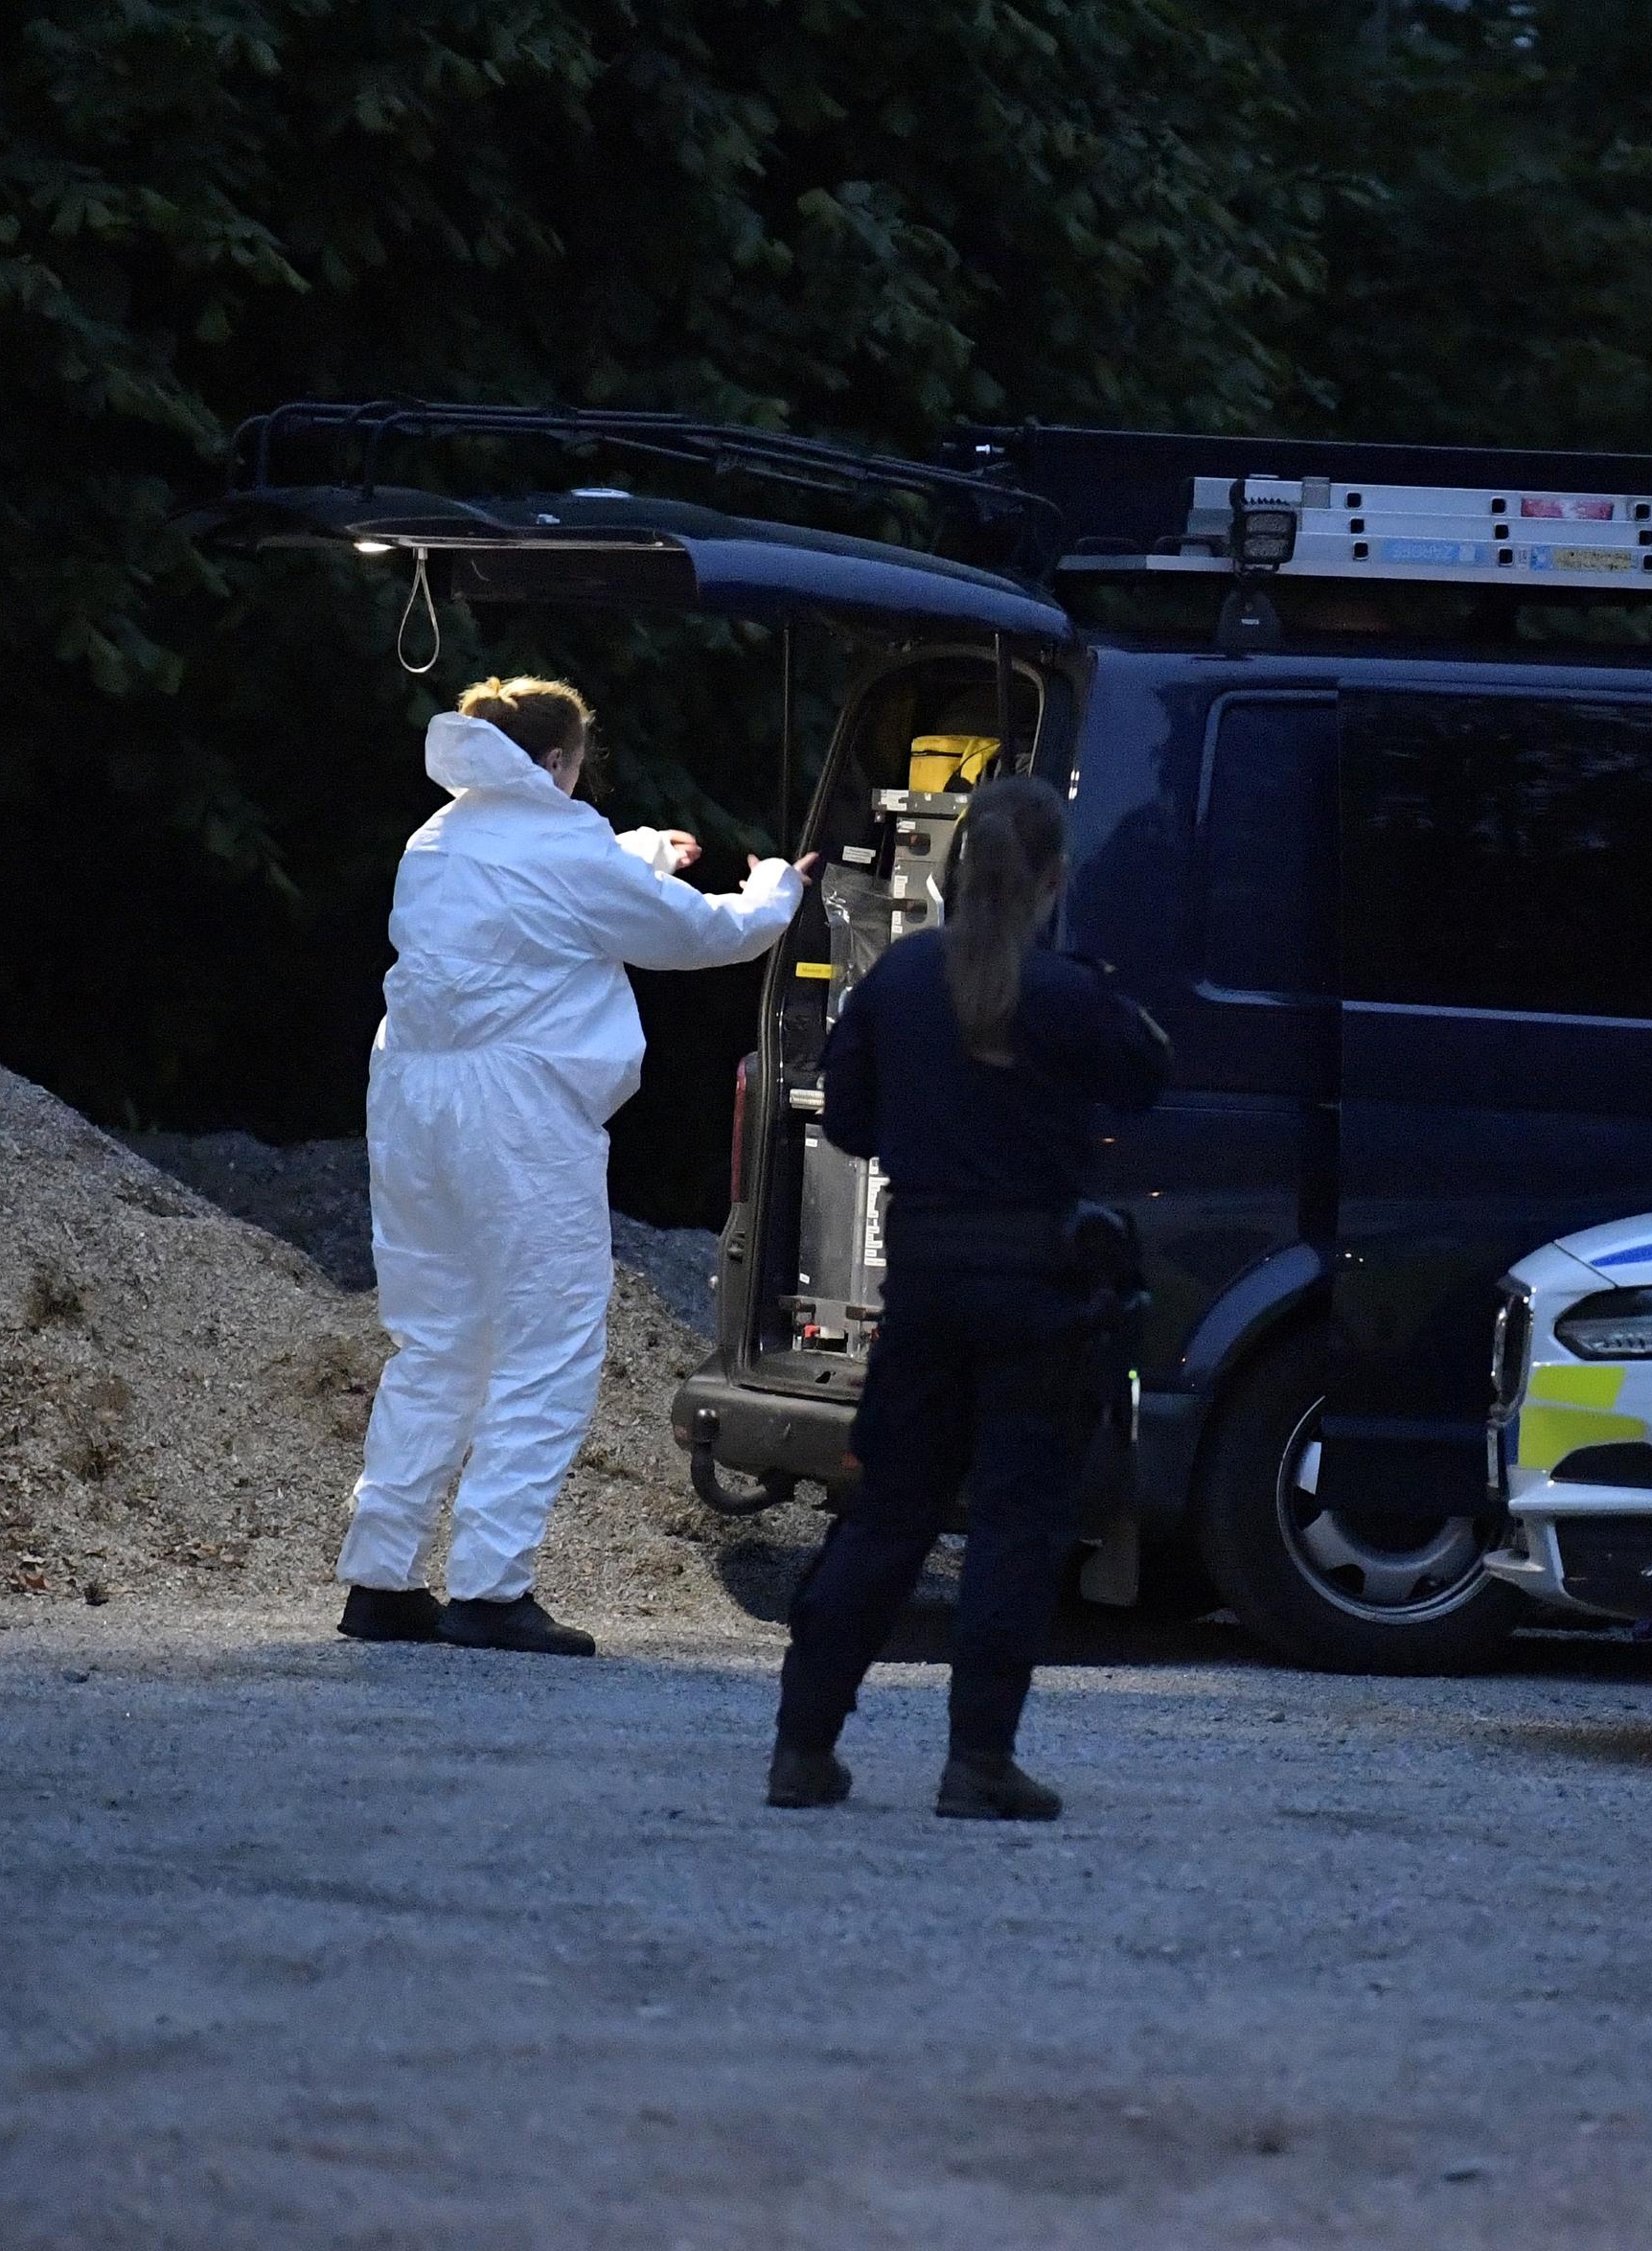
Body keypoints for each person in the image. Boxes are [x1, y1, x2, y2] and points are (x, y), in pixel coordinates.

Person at [336, 676, 808, 1654]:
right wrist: (776, 895)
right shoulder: (561, 846)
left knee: (436, 1339)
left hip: (412, 1094)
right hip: (517, 1107)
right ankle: (490, 1588)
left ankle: (380, 1576)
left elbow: (560, 877)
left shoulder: (438, 836)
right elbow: (691, 934)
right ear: (558, 762)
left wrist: (642, 853)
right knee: (549, 1336)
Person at [768, 777, 1170, 1821]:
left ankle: (802, 1748)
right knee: (1014, 1528)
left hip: (928, 1286)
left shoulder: (897, 982)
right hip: (1039, 1292)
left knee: (888, 1517)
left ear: (947, 874)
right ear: (1052, 880)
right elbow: (1147, 1075)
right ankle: (978, 1761)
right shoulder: (1070, 995)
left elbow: (848, 1120)